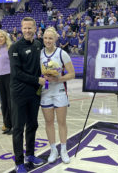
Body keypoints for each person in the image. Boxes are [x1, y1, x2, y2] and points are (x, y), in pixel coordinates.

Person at [8, 17, 46, 173]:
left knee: (32, 125)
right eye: (25, 28)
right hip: (19, 93)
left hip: (34, 93)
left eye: (30, 28)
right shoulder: (15, 48)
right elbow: (16, 73)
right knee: (18, 128)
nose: (27, 31)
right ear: (21, 29)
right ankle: (19, 162)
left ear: (35, 28)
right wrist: (37, 79)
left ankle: (30, 154)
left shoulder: (38, 44)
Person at [40, 27, 75, 164]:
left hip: (59, 91)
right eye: (45, 38)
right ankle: (53, 149)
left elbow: (72, 74)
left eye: (50, 38)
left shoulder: (62, 53)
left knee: (61, 122)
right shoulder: (40, 54)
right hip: (45, 92)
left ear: (55, 39)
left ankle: (63, 149)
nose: (48, 41)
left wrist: (57, 79)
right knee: (49, 122)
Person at [0, 29, 13, 134]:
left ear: (5, 37)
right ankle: (7, 125)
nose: (0, 39)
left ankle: (14, 126)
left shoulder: (10, 48)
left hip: (9, 76)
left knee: (11, 102)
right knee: (4, 102)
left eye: (1, 37)